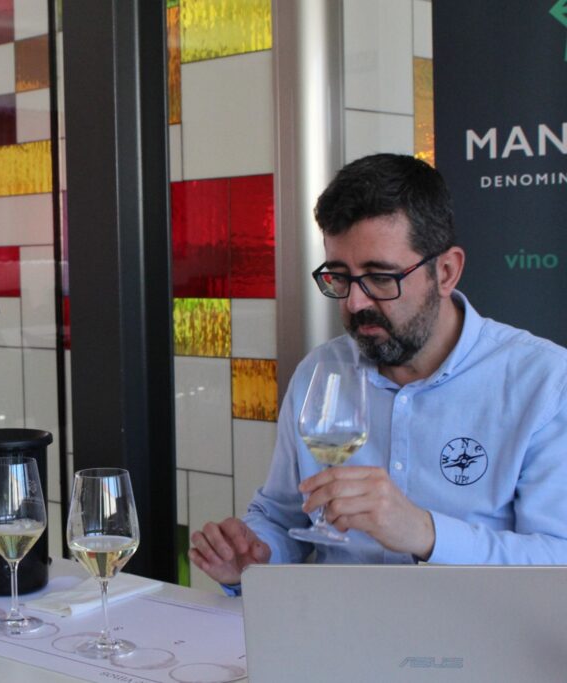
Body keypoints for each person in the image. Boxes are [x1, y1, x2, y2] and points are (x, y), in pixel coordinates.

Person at [190, 153, 567, 593]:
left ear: (446, 271)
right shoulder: (322, 373)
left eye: (381, 277)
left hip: (477, 645)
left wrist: (426, 533)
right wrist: (255, 554)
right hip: (335, 639)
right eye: (340, 277)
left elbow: (557, 560)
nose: (354, 303)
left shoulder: (543, 381)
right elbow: (281, 515)